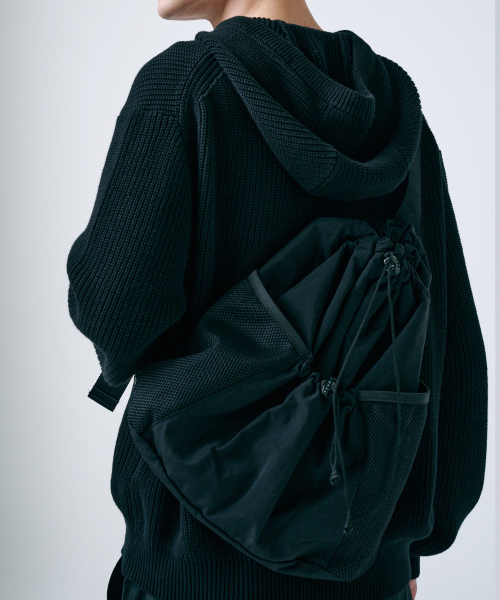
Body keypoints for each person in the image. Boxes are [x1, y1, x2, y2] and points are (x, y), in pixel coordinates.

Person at [65, 0, 488, 599]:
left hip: (195, 561)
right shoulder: (399, 117)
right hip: (363, 563)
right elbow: (450, 350)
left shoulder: (184, 88)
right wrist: (411, 545)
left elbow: (115, 310)